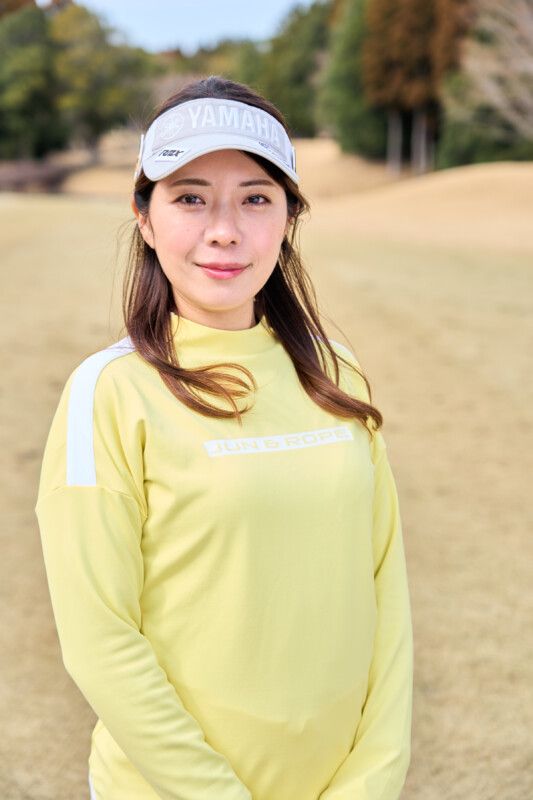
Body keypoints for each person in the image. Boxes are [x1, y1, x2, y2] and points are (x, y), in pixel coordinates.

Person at [34, 75, 413, 800]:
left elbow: (384, 590)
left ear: (288, 218)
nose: (224, 229)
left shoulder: (336, 374)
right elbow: (100, 642)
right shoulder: (109, 392)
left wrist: (373, 777)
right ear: (144, 216)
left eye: (255, 198)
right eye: (189, 196)